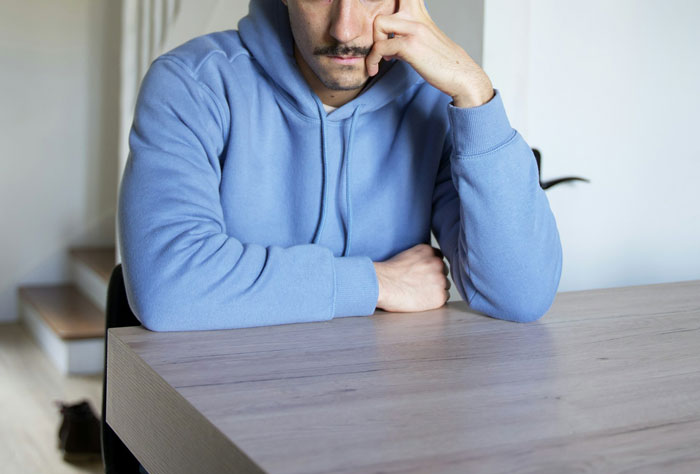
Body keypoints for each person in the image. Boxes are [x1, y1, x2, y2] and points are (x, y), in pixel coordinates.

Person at [119, 0, 562, 334]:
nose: (344, 27)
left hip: (376, 410)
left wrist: (475, 92)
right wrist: (377, 283)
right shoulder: (193, 84)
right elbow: (168, 288)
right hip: (219, 410)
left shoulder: (431, 106)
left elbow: (520, 296)